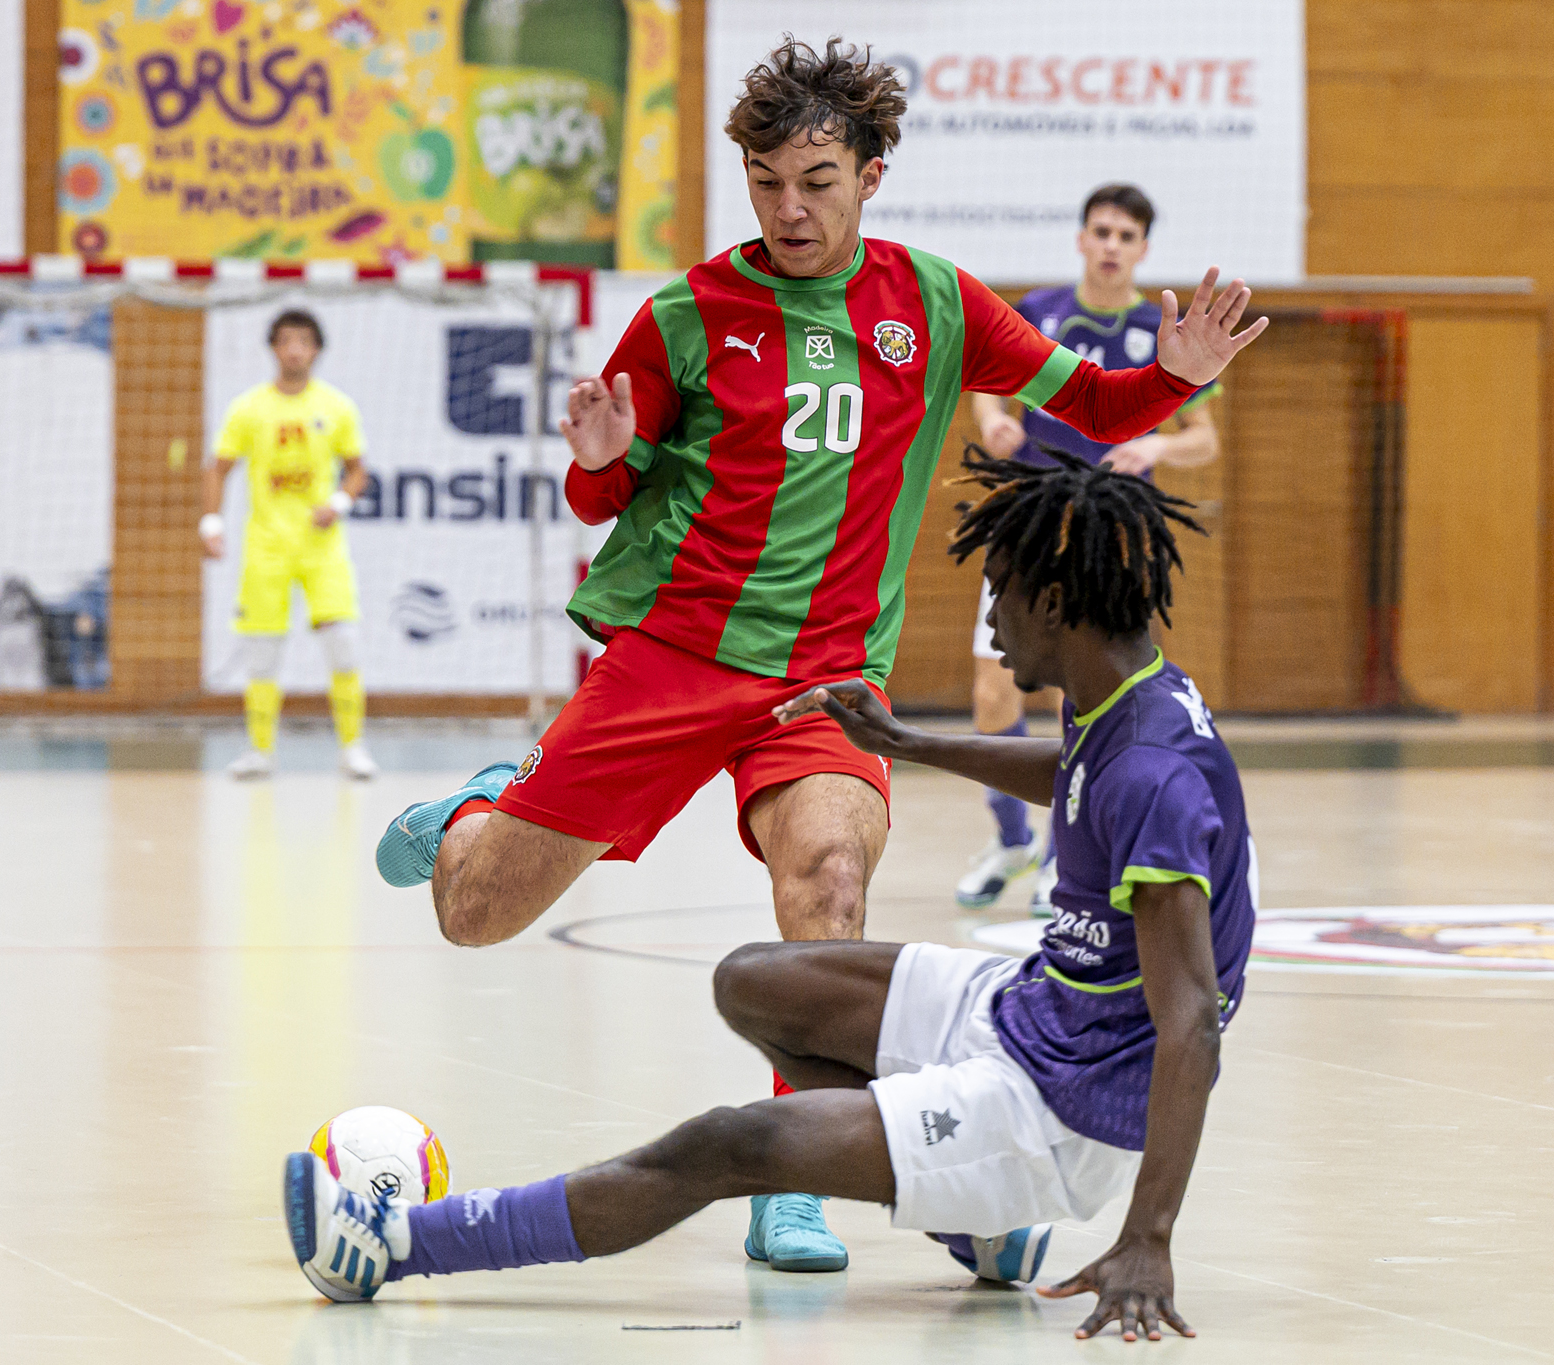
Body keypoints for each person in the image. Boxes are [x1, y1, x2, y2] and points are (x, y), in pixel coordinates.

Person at [369, 36, 1265, 1272]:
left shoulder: (937, 302)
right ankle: (482, 808)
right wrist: (597, 455)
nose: (790, 209)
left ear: (872, 173)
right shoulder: (685, 315)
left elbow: (1093, 408)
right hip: (671, 661)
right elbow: (603, 499)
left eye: (817, 180)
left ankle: (783, 1181)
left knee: (828, 877)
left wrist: (1170, 376)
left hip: (823, 682)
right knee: (473, 917)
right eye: (766, 181)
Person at [290, 451, 1257, 1345]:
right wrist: (912, 744)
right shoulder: (1129, 696)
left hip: (1060, 1108)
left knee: (729, 1143)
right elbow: (1075, 768)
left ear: (1056, 602)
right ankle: (977, 1221)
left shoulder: (1155, 777)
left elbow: (1191, 1028)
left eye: (998, 596)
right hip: (1034, 1011)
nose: (989, 622)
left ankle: (398, 1241)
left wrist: (1148, 1238)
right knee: (756, 982)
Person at [962, 183, 1224, 916]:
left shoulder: (1157, 331)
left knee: (1077, 695)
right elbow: (987, 389)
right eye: (1100, 231)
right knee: (992, 694)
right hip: (1022, 524)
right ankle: (1010, 839)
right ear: (1081, 238)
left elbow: (1204, 440)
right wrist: (992, 422)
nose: (1110, 244)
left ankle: (1059, 854)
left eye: (1125, 235)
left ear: (1142, 249)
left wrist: (1155, 445)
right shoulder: (1038, 313)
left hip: (1102, 536)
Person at [201, 309, 377, 781]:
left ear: (316, 349)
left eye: (303, 340)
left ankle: (353, 748)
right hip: (267, 548)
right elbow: (219, 468)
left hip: (322, 548)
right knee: (263, 651)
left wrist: (338, 501)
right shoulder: (249, 408)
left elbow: (358, 469)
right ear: (274, 348)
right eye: (285, 340)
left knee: (344, 644)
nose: (295, 349)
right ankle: (260, 751)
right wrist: (211, 524)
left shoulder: (337, 407)